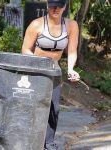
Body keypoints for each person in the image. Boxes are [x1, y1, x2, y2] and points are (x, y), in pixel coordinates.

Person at [22, 0, 80, 149]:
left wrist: (71, 69)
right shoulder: (36, 24)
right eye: (53, 5)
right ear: (47, 5)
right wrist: (37, 63)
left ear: (65, 6)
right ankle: (26, 140)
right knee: (32, 106)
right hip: (35, 71)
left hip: (54, 71)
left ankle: (49, 143)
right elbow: (25, 50)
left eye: (59, 6)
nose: (56, 9)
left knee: (53, 108)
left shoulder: (71, 26)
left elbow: (72, 51)